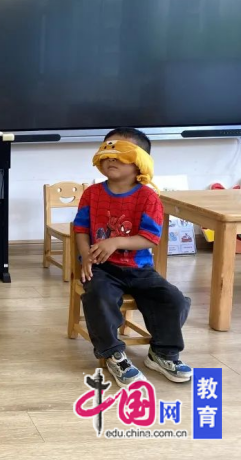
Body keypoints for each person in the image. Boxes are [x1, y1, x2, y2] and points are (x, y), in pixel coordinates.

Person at [74, 127, 192, 388]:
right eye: (107, 152)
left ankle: (162, 352)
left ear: (140, 161)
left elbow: (150, 238)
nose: (111, 158)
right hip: (102, 267)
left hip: (140, 269)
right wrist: (85, 255)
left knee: (173, 299)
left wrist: (116, 241)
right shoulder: (92, 194)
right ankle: (113, 354)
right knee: (97, 297)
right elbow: (80, 229)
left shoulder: (148, 197)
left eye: (121, 153)